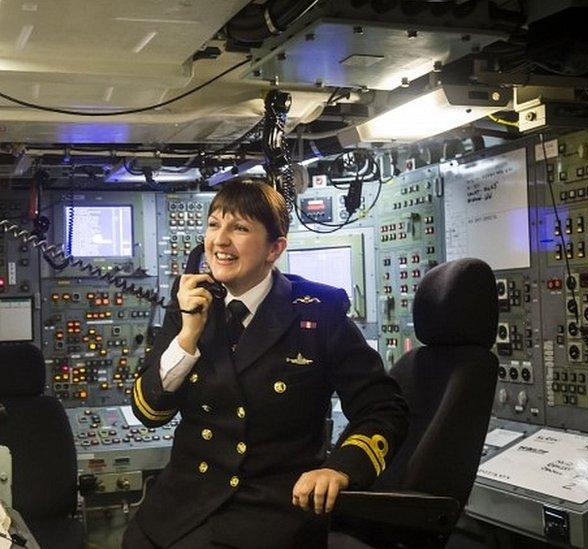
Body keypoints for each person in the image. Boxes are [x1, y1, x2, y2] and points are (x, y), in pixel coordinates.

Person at [124, 179, 409, 549]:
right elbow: (149, 412)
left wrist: (340, 468)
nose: (220, 241)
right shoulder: (190, 304)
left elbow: (384, 408)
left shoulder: (320, 312)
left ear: (275, 248)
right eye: (214, 225)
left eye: (239, 228)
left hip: (267, 512)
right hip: (179, 506)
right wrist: (187, 334)